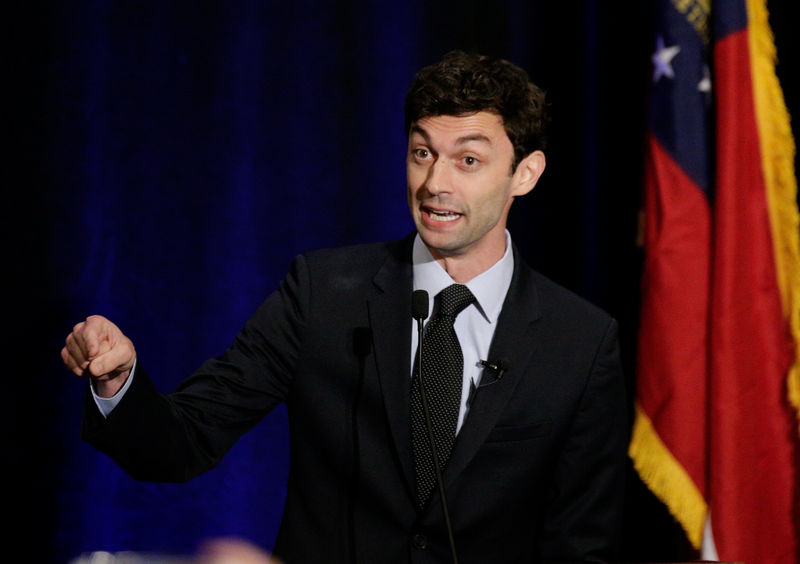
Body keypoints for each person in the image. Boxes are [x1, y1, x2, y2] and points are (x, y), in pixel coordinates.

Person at [63, 50, 627, 563]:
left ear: (524, 174)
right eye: (422, 152)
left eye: (468, 161)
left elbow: (581, 547)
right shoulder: (322, 293)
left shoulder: (579, 341)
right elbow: (181, 442)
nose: (434, 183)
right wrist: (119, 383)